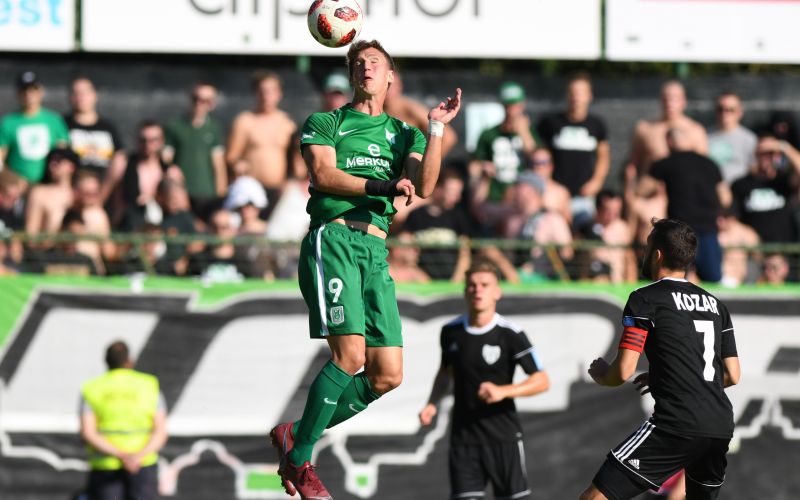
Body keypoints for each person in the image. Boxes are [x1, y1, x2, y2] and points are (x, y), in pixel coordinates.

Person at [268, 39, 461, 499]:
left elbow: (425, 186)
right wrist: (384, 184)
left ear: (390, 76)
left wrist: (435, 128)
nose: (366, 67)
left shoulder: (405, 133)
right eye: (358, 63)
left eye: (374, 62)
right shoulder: (326, 122)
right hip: (334, 238)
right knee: (350, 356)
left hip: (375, 249)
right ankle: (300, 460)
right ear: (352, 75)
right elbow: (323, 175)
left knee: (387, 374)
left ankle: (295, 434)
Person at [580, 218, 741, 500]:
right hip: (719, 425)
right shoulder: (716, 306)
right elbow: (731, 375)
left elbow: (623, 371)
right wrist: (666, 378)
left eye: (646, 246)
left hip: (676, 423)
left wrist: (603, 374)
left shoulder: (645, 299)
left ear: (657, 254)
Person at [419, 260, 550, 500]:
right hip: (463, 439)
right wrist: (431, 403)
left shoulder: (511, 334)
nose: (477, 290)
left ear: (497, 292)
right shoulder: (450, 332)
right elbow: (445, 372)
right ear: (465, 291)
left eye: (484, 285)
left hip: (503, 437)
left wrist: (503, 391)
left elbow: (542, 380)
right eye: (472, 285)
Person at [638, 128, 732, 283]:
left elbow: (641, 190)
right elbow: (725, 198)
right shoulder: (709, 163)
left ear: (669, 142)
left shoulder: (665, 163)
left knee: (675, 280)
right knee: (713, 280)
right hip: (708, 230)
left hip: (680, 233)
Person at [80, 341, 168, 500]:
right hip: (142, 464)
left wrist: (122, 455)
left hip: (106, 465)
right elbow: (160, 431)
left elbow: (88, 432)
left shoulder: (92, 388)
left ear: (106, 361)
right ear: (129, 361)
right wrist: (137, 457)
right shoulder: (149, 385)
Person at [537, 72, 610, 222]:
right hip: (555, 195)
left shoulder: (596, 124)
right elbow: (539, 154)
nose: (576, 97)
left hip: (584, 196)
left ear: (590, 96)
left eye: (581, 93)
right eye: (573, 92)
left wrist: (596, 182)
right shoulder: (551, 122)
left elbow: (603, 156)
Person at [226, 71, 298, 210]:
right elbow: (231, 156)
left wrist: (290, 181)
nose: (266, 96)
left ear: (279, 94)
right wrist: (237, 164)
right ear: (255, 93)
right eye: (262, 91)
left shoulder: (287, 124)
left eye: (271, 91)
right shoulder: (245, 121)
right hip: (251, 192)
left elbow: (295, 160)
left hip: (279, 190)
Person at [163, 81, 227, 220]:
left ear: (212, 104)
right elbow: (166, 159)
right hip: (181, 194)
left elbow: (219, 164)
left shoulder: (214, 128)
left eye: (205, 101)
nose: (199, 103)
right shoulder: (174, 126)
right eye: (195, 98)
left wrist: (221, 195)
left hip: (207, 193)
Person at [470, 81, 539, 202]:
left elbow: (537, 160)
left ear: (523, 105)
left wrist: (524, 133)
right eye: (508, 105)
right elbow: (474, 166)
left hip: (522, 196)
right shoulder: (489, 134)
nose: (512, 110)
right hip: (495, 196)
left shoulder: (531, 133)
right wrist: (483, 168)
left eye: (516, 105)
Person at [627, 80, 708, 178]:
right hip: (650, 186)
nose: (669, 103)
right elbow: (632, 166)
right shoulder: (644, 129)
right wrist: (630, 187)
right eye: (666, 98)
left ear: (684, 101)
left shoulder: (696, 131)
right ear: (660, 100)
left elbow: (704, 168)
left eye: (674, 98)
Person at [0, 71, 70, 184]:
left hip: (48, 185)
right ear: (18, 94)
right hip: (16, 187)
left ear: (41, 91)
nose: (28, 94)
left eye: (33, 89)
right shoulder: (8, 123)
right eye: (24, 91)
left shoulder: (54, 120)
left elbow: (64, 155)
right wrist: (11, 180)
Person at [403, 168, 472, 281]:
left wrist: (456, 280)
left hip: (452, 281)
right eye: (453, 192)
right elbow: (404, 249)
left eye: (459, 193)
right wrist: (418, 276)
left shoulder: (458, 217)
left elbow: (465, 253)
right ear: (438, 189)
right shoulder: (416, 215)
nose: (458, 198)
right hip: (421, 282)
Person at [731, 134, 800, 243]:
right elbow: (733, 219)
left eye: (772, 153)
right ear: (756, 154)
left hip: (786, 247)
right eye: (763, 153)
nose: (768, 157)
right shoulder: (740, 184)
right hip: (755, 247)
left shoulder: (784, 180)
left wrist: (783, 147)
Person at [385, 70, 458, 158]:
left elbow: (449, 137)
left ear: (399, 86)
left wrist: (427, 164)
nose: (388, 88)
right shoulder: (373, 110)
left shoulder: (411, 108)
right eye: (385, 83)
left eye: (391, 84)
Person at [64, 76, 126, 178]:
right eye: (76, 93)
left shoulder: (108, 128)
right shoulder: (62, 125)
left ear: (95, 95)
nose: (80, 97)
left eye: (85, 92)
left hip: (105, 183)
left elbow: (119, 157)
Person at [707, 91, 757, 185]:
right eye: (720, 109)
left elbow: (753, 169)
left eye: (730, 110)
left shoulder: (749, 139)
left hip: (738, 188)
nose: (724, 113)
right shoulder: (705, 136)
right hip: (710, 188)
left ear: (740, 112)